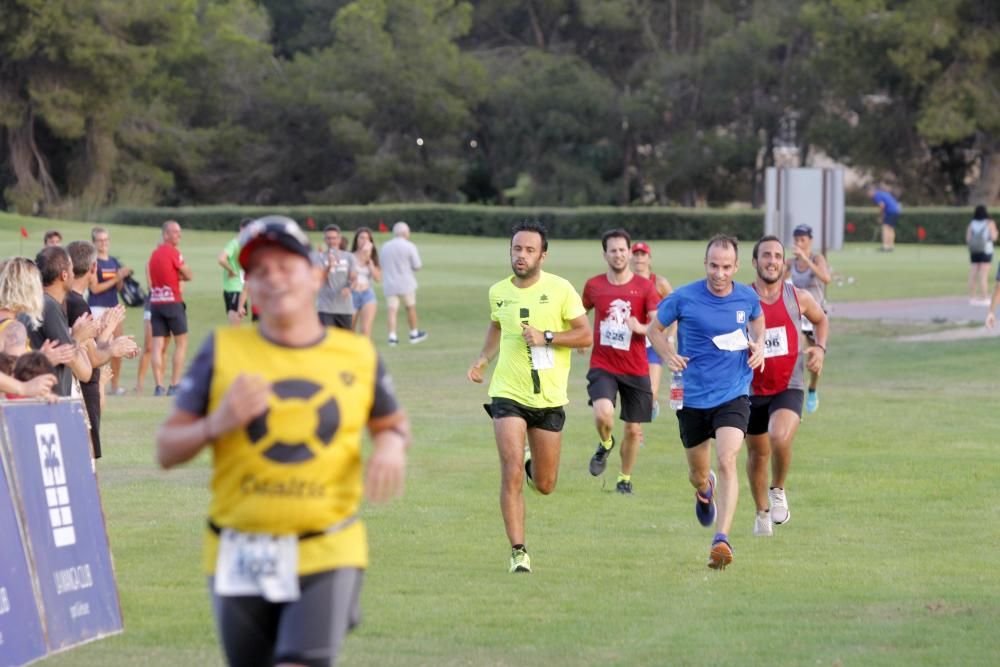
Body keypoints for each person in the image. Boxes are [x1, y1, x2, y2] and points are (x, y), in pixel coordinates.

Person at [156, 215, 409, 667]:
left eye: (285, 266)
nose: (273, 279)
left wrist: (390, 446)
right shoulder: (223, 351)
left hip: (326, 547)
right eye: (259, 271)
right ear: (247, 284)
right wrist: (218, 422)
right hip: (238, 551)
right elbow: (167, 449)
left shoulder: (356, 354)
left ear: (315, 274)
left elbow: (392, 423)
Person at [466, 221, 591, 573]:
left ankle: (528, 462)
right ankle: (518, 551)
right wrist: (483, 358)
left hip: (550, 398)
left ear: (543, 254)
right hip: (508, 393)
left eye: (529, 250)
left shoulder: (561, 289)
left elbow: (585, 336)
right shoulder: (498, 292)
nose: (521, 256)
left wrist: (547, 336)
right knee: (510, 474)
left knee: (546, 484)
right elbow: (496, 324)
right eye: (516, 249)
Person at [647, 234, 765, 570]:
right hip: (693, 396)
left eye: (727, 267)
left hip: (734, 392)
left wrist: (759, 346)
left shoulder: (747, 297)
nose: (719, 273)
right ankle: (705, 488)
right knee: (698, 473)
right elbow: (655, 330)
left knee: (728, 458)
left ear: (737, 267)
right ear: (705, 264)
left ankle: (722, 538)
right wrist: (668, 354)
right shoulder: (683, 297)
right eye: (714, 265)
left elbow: (758, 321)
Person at [747, 236, 828, 537]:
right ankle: (760, 512)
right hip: (750, 388)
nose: (772, 260)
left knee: (779, 438)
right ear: (755, 262)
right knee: (757, 455)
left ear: (784, 263)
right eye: (765, 255)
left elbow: (822, 321)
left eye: (777, 256)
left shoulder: (798, 297)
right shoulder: (741, 299)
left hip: (788, 385)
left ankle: (778, 488)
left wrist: (819, 349)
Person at [582, 229, 660, 494]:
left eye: (622, 249)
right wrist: (580, 337)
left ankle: (624, 478)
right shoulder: (594, 286)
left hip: (635, 367)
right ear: (605, 254)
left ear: (629, 252)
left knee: (633, 429)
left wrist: (641, 327)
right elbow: (578, 314)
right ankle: (605, 443)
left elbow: (657, 323)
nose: (618, 254)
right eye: (612, 250)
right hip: (603, 364)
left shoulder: (645, 287)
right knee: (603, 413)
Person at [66, 241, 139, 458]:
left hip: (80, 387)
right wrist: (113, 346)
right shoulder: (77, 304)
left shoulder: (70, 300)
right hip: (82, 390)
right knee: (85, 461)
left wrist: (107, 334)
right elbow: (93, 360)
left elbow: (89, 350)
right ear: (93, 268)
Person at [19, 246, 94, 397]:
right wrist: (79, 337)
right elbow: (84, 372)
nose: (74, 275)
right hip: (48, 403)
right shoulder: (50, 306)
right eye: (72, 270)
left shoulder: (38, 302)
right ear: (64, 275)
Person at [786, 224, 830, 413]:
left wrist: (806, 259)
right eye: (796, 240)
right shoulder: (790, 263)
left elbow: (826, 278)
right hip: (798, 314)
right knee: (797, 353)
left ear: (810, 241)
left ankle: (812, 388)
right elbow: (778, 282)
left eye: (802, 240)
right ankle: (794, 392)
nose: (799, 243)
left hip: (816, 314)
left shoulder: (817, 258)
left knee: (815, 358)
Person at [629, 241, 673, 418]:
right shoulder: (625, 281)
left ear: (649, 259)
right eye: (636, 254)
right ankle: (636, 432)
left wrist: (670, 338)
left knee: (651, 392)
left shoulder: (659, 283)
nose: (639, 258)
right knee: (634, 391)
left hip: (653, 341)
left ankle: (650, 407)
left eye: (643, 255)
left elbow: (674, 311)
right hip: (631, 342)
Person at [148, 220, 192, 396]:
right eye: (175, 232)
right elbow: (188, 274)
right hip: (173, 301)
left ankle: (159, 386)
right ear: (165, 234)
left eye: (179, 232)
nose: (178, 235)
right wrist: (180, 274)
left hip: (156, 303)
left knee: (158, 345)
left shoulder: (154, 255)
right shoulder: (173, 252)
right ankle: (174, 384)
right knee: (181, 343)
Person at [88, 227, 134, 395]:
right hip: (97, 307)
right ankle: (94, 382)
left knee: (118, 345)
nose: (104, 243)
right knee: (96, 347)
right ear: (94, 243)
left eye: (106, 240)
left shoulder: (113, 261)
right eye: (100, 240)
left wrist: (121, 277)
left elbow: (118, 287)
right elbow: (95, 289)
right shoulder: (93, 263)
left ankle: (115, 385)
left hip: (113, 306)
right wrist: (115, 277)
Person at [381, 221, 427, 345]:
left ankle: (392, 336)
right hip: (406, 283)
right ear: (405, 233)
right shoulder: (409, 246)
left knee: (392, 310)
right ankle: (413, 333)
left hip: (390, 283)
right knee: (410, 308)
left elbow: (382, 264)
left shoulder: (385, 246)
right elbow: (417, 266)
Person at [318, 224, 358, 330]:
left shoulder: (349, 257)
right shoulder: (319, 257)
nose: (331, 241)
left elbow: (354, 278)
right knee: (327, 341)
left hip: (345, 308)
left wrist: (349, 288)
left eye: (334, 238)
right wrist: (329, 265)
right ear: (325, 240)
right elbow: (319, 279)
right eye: (328, 238)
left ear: (339, 239)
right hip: (325, 308)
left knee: (345, 342)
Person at [217, 218, 253, 325]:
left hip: (235, 288)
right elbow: (221, 258)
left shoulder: (245, 245)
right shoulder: (235, 243)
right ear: (241, 229)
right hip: (236, 289)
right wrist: (231, 271)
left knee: (235, 326)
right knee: (235, 328)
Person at [351, 227, 381, 338]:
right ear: (356, 240)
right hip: (352, 295)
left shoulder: (373, 257)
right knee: (349, 330)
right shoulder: (350, 257)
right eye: (361, 238)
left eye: (367, 239)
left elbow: (378, 278)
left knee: (365, 330)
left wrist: (371, 264)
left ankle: (366, 354)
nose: (364, 241)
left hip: (367, 295)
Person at [966, 205, 998, 306]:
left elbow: (968, 239)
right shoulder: (989, 223)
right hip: (986, 250)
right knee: (984, 274)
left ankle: (972, 297)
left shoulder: (972, 223)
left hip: (974, 251)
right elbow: (993, 237)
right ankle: (984, 297)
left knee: (973, 273)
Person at [867, 185, 901, 252]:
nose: (868, 195)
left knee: (885, 227)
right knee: (890, 228)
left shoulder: (877, 195)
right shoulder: (882, 193)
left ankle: (885, 246)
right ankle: (891, 246)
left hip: (890, 211)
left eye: (869, 193)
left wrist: (880, 216)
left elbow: (882, 205)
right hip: (897, 210)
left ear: (872, 191)